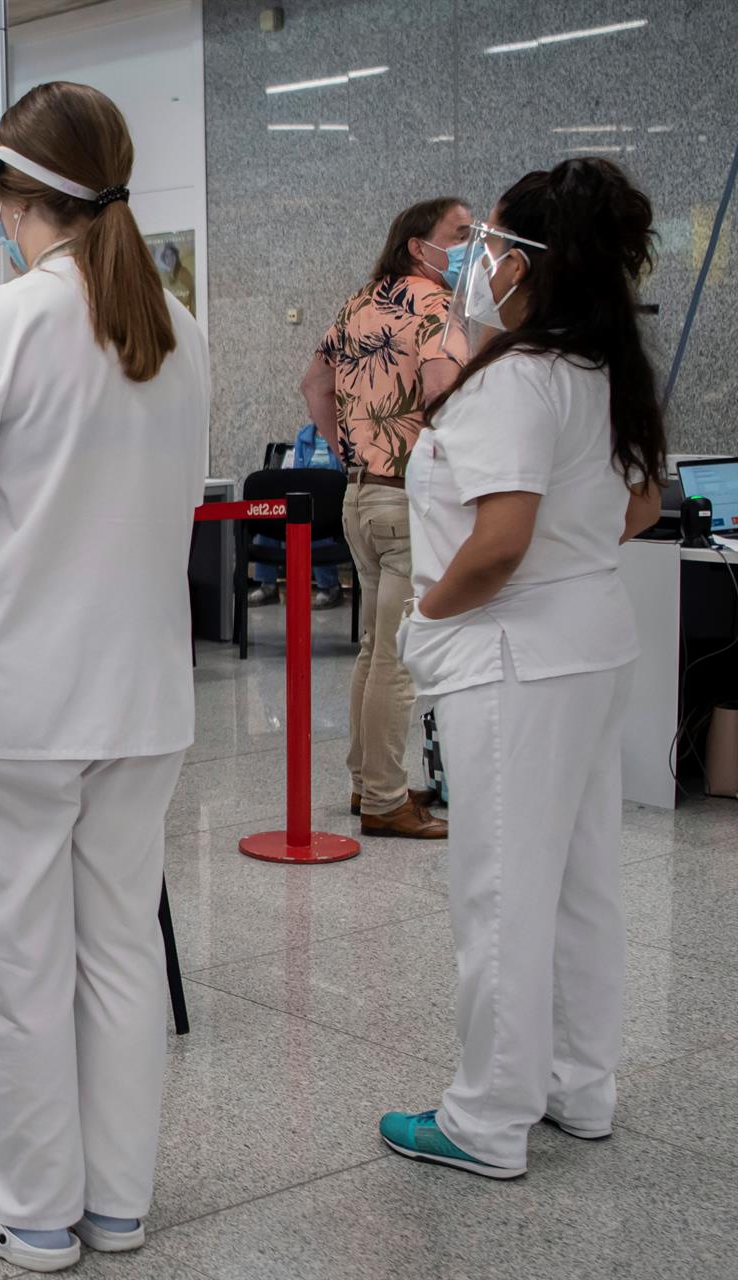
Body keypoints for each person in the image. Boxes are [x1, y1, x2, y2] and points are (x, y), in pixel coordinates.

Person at [0, 82, 209, 1272]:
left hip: (13, 700)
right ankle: (118, 1205)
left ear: (10, 193)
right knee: (121, 947)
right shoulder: (181, 331)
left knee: (20, 958)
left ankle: (33, 1212)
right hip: (141, 697)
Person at [379, 158, 667, 1180]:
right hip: (589, 647)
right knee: (581, 881)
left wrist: (429, 611)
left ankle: (487, 1117)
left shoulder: (516, 378)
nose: (478, 261)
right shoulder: (602, 370)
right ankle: (578, 1086)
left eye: (492, 245)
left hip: (512, 659)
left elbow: (499, 539)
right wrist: (568, 564)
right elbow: (638, 507)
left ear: (532, 264)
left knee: (500, 888)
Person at [303, 196, 472, 840]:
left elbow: (313, 385)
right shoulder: (435, 307)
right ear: (417, 245)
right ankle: (384, 800)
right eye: (458, 234)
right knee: (397, 658)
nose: (467, 246)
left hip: (359, 498)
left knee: (374, 650)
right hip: (408, 500)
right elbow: (441, 392)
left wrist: (347, 445)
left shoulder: (357, 305)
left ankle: (364, 781)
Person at [247, 421, 345, 610]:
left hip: (331, 504)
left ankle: (330, 587)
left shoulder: (344, 434)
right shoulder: (304, 436)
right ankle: (267, 586)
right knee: (268, 527)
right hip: (305, 499)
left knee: (316, 526)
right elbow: (297, 472)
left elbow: (343, 470)